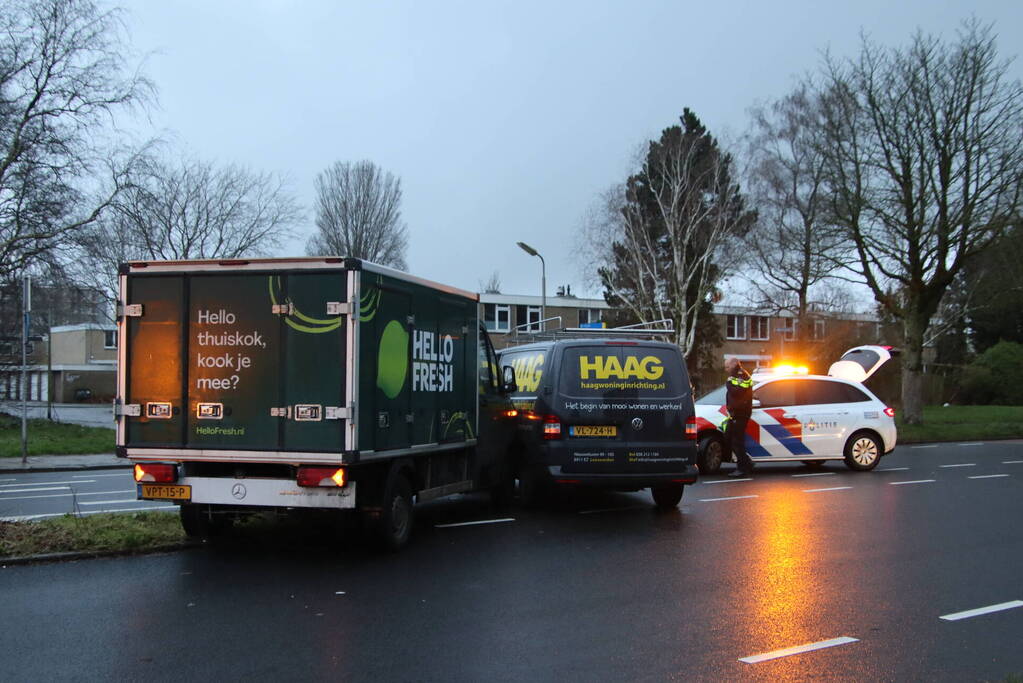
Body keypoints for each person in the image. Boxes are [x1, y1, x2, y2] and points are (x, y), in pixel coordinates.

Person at [724, 358, 755, 478]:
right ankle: (747, 462)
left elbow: (737, 392)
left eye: (727, 367)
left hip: (741, 413)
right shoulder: (735, 375)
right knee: (728, 438)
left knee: (737, 441)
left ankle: (742, 468)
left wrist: (729, 384)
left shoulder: (741, 375)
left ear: (733, 365)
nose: (726, 369)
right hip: (735, 413)